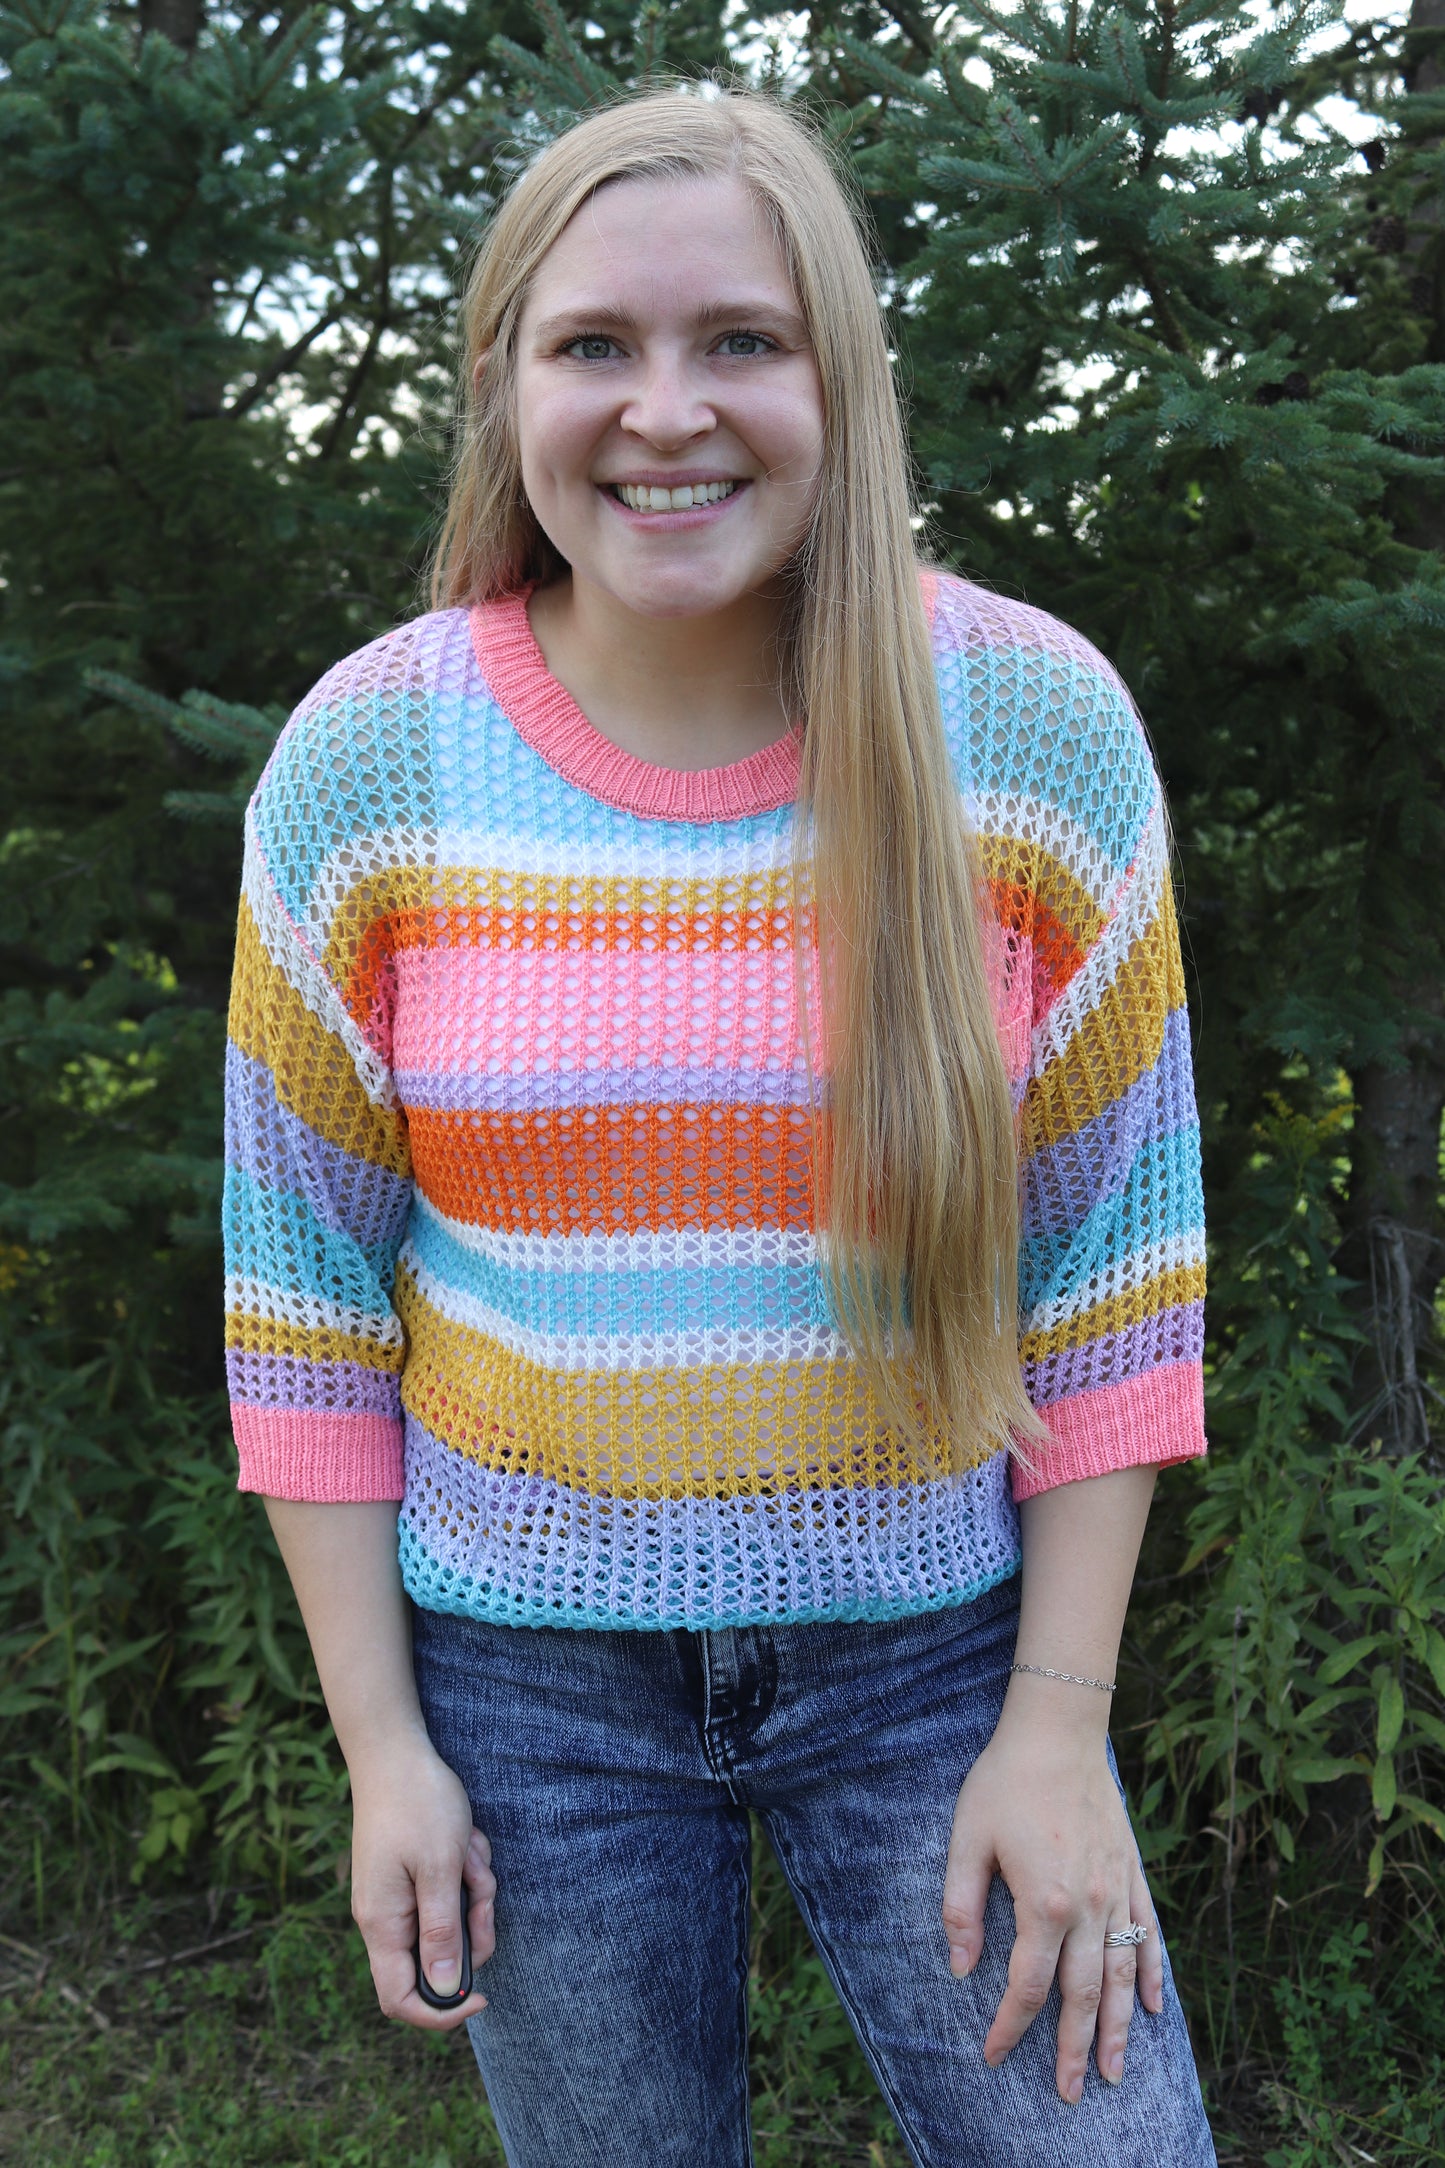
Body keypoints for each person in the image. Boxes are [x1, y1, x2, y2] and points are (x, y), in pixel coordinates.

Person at [223, 84, 1216, 2168]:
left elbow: (1119, 1278)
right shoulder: (367, 758)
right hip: (521, 1687)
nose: (665, 409)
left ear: (837, 378)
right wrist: (382, 1742)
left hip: (938, 1656)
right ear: (508, 387)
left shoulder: (1030, 729)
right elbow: (302, 1298)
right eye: (596, 345)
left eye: (740, 342)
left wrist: (1059, 1724)